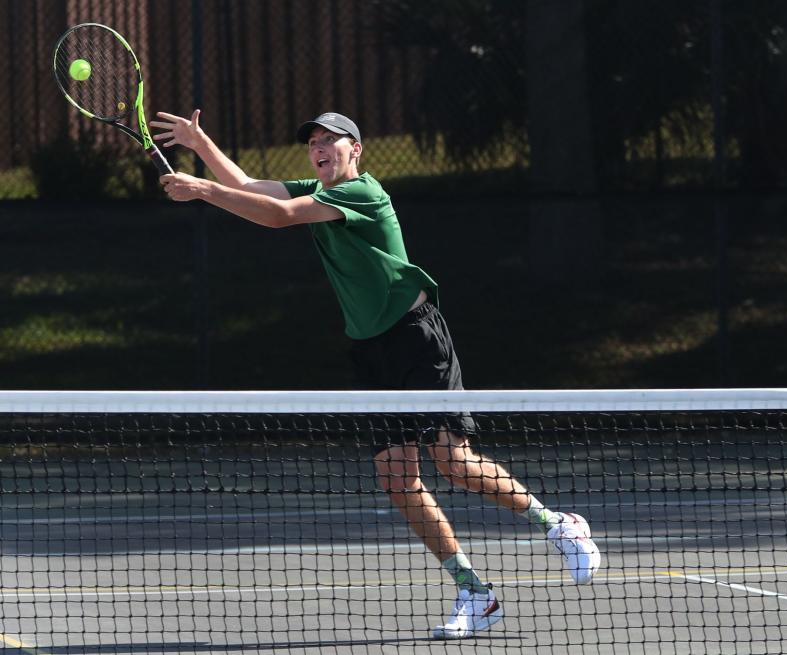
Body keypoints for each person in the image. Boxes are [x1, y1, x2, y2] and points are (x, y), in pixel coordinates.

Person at [150, 109, 601, 638]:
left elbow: (277, 216)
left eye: (330, 141)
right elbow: (250, 186)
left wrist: (202, 191)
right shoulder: (317, 189)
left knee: (453, 463)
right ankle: (475, 593)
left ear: (356, 149)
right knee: (397, 479)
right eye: (312, 143)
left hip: (415, 337)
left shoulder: (362, 194)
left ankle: (559, 525)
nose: (319, 149)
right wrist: (201, 142)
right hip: (370, 352)